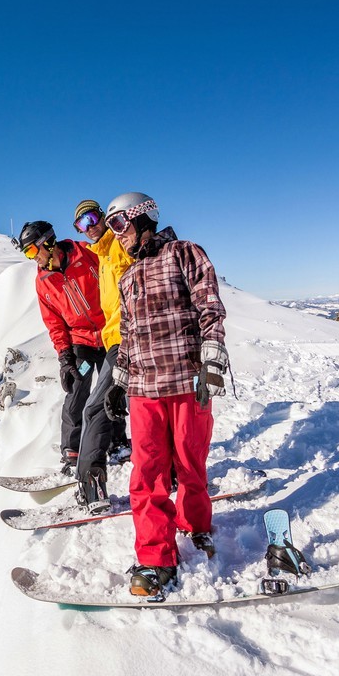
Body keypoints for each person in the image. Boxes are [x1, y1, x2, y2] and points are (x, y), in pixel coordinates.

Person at [101, 192, 229, 599]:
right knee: (146, 474)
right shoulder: (127, 277)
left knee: (191, 464)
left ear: (143, 219)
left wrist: (212, 362)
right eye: (111, 228)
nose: (117, 235)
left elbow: (210, 309)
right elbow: (128, 335)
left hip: (187, 381)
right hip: (144, 390)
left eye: (120, 224)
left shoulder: (184, 253)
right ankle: (157, 558)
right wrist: (118, 380)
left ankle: (196, 525)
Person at [17, 220, 106, 475]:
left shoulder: (85, 253)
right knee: (78, 388)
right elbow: (54, 322)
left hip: (110, 335)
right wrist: (65, 358)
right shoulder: (43, 281)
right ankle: (72, 450)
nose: (32, 259)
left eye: (33, 251)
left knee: (113, 389)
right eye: (27, 254)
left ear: (49, 242)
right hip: (82, 342)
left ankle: (117, 441)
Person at [68, 199, 134, 514]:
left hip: (127, 339)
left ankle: (91, 488)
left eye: (93, 218)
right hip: (113, 341)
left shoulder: (120, 246)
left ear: (105, 218)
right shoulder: (101, 254)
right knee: (140, 408)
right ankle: (172, 472)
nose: (89, 226)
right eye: (82, 224)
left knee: (95, 410)